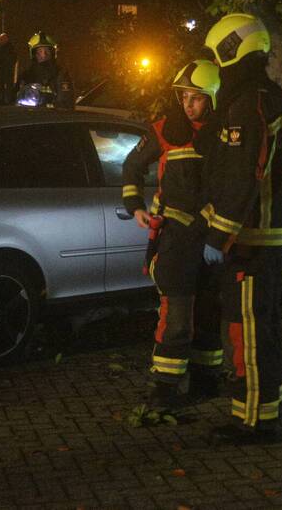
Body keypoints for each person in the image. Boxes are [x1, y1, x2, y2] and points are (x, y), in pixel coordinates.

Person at [196, 13, 282, 442]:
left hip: (252, 239)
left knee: (251, 332)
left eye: (217, 57)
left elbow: (242, 176)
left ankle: (255, 422)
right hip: (258, 235)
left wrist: (218, 235)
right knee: (254, 329)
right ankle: (255, 413)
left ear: (229, 50)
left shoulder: (250, 103)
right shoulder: (264, 98)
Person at [121, 59, 221, 409]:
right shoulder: (165, 130)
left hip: (214, 236)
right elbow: (132, 166)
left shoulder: (227, 133)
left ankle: (208, 378)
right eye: (183, 97)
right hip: (176, 236)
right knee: (176, 311)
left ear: (212, 97)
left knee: (210, 310)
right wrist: (135, 206)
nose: (188, 104)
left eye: (196, 97)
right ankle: (165, 386)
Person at [16, 31, 75, 109]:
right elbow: (17, 98)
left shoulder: (60, 74)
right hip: (28, 117)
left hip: (50, 117)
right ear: (34, 54)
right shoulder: (26, 75)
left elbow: (66, 102)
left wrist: (48, 105)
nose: (43, 55)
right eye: (39, 51)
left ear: (53, 53)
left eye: (47, 51)